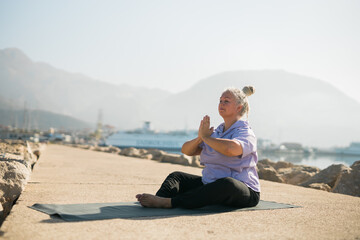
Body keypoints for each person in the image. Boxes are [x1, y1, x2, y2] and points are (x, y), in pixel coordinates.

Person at [136, 86, 260, 209]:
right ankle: (160, 199)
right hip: (210, 185)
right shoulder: (217, 132)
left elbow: (231, 149)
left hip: (243, 190)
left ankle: (169, 203)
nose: (221, 104)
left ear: (239, 107)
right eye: (220, 101)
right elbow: (186, 150)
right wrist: (200, 138)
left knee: (227, 184)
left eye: (226, 101)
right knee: (177, 176)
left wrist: (206, 138)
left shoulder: (245, 132)